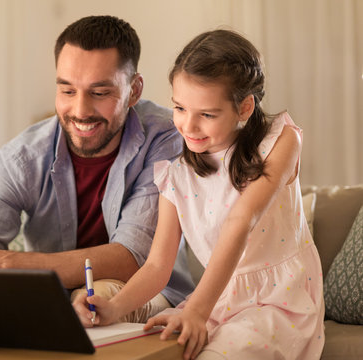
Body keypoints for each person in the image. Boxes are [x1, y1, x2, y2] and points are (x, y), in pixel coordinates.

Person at [0, 15, 195, 349]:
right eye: (67, 90)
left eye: (99, 92)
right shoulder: (21, 156)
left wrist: (0, 262)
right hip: (47, 301)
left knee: (97, 298)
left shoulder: (168, 136)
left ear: (134, 90)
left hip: (145, 291)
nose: (80, 110)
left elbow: (131, 258)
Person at [73, 29, 325, 360]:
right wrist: (113, 307)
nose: (188, 126)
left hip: (279, 300)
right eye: (179, 108)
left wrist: (198, 311)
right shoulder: (175, 176)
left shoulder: (280, 141)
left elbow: (242, 219)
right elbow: (157, 266)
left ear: (245, 107)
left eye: (206, 114)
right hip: (216, 297)